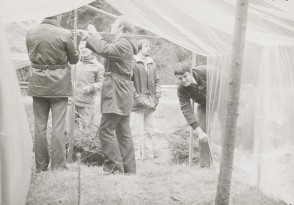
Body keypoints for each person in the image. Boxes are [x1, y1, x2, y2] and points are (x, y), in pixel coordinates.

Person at [83, 16, 137, 174]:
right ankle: (129, 169)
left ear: (121, 27)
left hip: (116, 90)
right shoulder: (126, 43)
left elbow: (105, 50)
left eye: (114, 23)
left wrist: (93, 34)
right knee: (123, 131)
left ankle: (114, 168)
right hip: (121, 90)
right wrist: (89, 38)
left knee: (105, 129)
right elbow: (107, 52)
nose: (112, 25)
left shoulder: (123, 43)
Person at [26, 14, 79, 172]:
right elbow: (74, 59)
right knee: (58, 126)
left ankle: (41, 166)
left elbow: (30, 54)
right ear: (59, 15)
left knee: (39, 127)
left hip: (37, 83)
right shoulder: (64, 33)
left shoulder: (31, 32)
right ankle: (58, 166)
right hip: (59, 84)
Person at [174, 63, 211, 168]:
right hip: (204, 106)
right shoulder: (181, 88)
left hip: (220, 102)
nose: (184, 80)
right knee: (203, 134)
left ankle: (228, 162)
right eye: (180, 78)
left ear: (191, 72)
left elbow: (225, 81)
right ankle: (205, 166)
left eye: (185, 76)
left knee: (226, 131)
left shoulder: (205, 71)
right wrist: (199, 132)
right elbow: (186, 109)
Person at [130, 39, 161, 162]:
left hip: (151, 102)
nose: (149, 48)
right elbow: (129, 82)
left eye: (150, 46)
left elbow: (157, 81)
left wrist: (157, 95)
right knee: (136, 132)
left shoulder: (152, 63)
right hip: (137, 103)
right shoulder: (133, 62)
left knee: (149, 132)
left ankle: (149, 159)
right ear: (139, 48)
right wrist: (136, 96)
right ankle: (136, 158)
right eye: (146, 46)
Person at [74, 40, 104, 132]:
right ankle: (72, 145)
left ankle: (85, 145)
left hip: (87, 102)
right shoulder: (75, 63)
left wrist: (91, 87)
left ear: (92, 49)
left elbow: (102, 83)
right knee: (72, 127)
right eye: (81, 48)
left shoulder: (98, 66)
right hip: (73, 101)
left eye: (85, 47)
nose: (83, 50)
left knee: (86, 127)